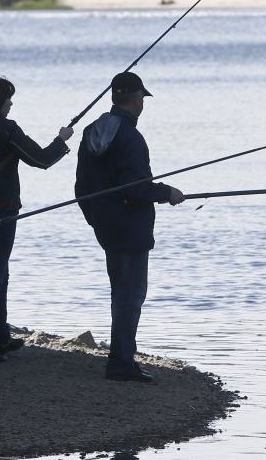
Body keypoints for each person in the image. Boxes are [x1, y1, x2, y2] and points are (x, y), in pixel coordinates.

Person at [0, 75, 74, 365]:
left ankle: (1, 337)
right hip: (1, 214)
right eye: (8, 97)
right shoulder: (6, 130)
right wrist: (62, 140)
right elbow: (42, 160)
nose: (11, 102)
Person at [75, 72, 184, 383]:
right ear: (136, 99)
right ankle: (121, 362)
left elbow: (81, 186)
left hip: (107, 226)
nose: (142, 104)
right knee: (131, 295)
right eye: (142, 99)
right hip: (131, 227)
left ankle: (120, 357)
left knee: (120, 292)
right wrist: (168, 193)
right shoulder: (131, 138)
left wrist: (95, 217)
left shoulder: (91, 132)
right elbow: (134, 187)